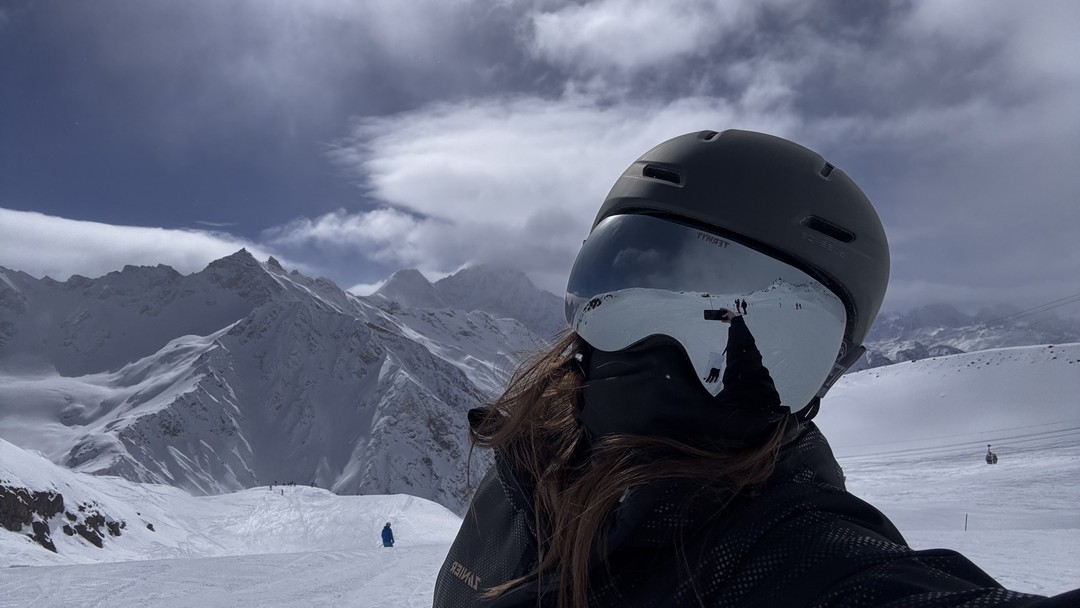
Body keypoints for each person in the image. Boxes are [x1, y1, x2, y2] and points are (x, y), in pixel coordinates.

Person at [432, 130, 1079, 607]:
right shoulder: (522, 470)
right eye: (628, 297)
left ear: (824, 379)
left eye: (779, 332)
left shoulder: (786, 558)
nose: (661, 362)